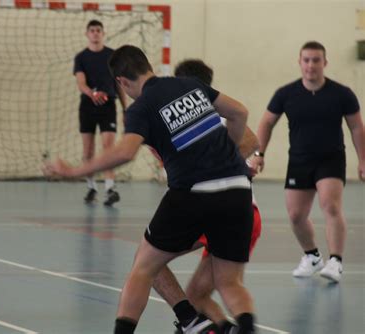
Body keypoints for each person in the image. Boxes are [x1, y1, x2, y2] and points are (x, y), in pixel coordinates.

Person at [44, 45, 256, 334]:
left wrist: (74, 171)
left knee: (143, 267)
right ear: (147, 65)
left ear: (121, 81)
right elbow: (240, 112)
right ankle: (242, 328)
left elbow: (124, 153)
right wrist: (227, 155)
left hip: (192, 193)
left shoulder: (142, 107)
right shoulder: (191, 85)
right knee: (230, 283)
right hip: (238, 191)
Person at [151, 59, 262, 334]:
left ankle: (193, 323)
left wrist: (217, 163)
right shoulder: (176, 119)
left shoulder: (212, 114)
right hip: (234, 212)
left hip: (219, 210)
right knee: (201, 295)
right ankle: (223, 328)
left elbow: (251, 140)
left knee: (148, 264)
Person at [251, 41, 365, 283]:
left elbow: (356, 127)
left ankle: (335, 261)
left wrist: (362, 160)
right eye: (306, 60)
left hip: (331, 159)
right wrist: (260, 154)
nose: (311, 65)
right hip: (300, 160)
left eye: (316, 60)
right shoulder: (286, 93)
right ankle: (313, 257)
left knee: (330, 206)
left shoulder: (341, 93)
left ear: (325, 63)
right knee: (295, 215)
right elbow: (266, 123)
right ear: (300, 62)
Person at [73, 19, 128, 206]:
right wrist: (92, 93)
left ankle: (110, 188)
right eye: (92, 30)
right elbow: (81, 83)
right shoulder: (81, 57)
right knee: (88, 150)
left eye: (98, 30)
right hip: (88, 107)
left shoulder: (112, 56)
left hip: (108, 106)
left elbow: (119, 84)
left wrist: (125, 108)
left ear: (103, 33)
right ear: (87, 34)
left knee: (108, 148)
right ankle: (91, 187)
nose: (95, 33)